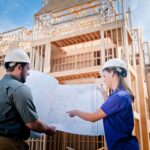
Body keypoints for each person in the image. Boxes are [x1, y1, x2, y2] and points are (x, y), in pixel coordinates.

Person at [67, 58, 139, 150]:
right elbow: (111, 109)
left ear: (112, 73)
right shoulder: (121, 95)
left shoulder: (118, 97)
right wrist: (104, 93)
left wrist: (75, 112)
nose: (104, 79)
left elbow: (92, 117)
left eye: (104, 76)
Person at [0, 49, 56, 150]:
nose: (28, 73)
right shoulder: (19, 88)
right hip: (9, 145)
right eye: (27, 69)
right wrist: (48, 129)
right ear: (19, 67)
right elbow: (32, 123)